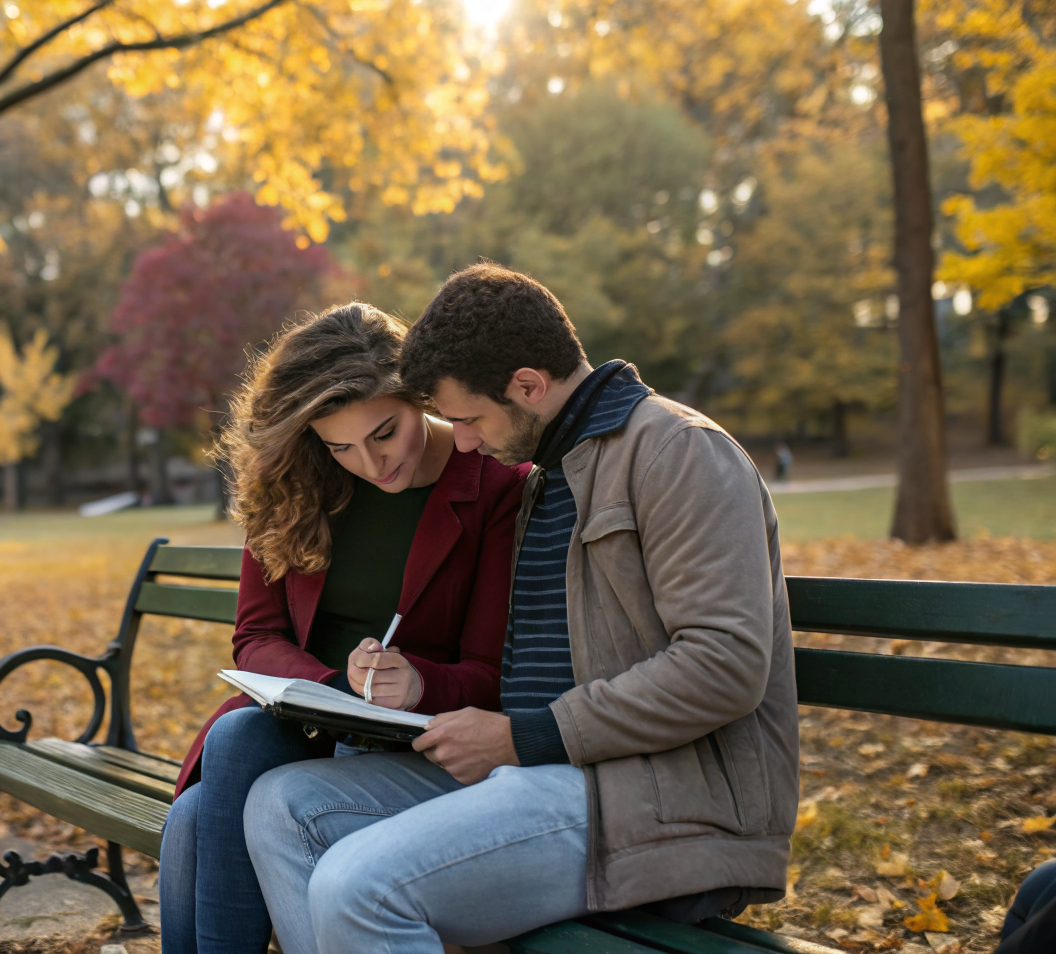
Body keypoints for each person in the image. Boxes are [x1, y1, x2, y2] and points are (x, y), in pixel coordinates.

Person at [244, 264, 799, 954]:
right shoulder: (555, 473)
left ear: (529, 386)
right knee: (283, 807)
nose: (464, 442)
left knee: (356, 887)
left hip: (654, 799)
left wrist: (521, 736)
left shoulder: (677, 452)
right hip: (540, 775)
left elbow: (723, 668)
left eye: (470, 419)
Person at [158, 303, 527, 954]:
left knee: (203, 799)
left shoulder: (495, 486)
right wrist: (333, 687)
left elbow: (493, 675)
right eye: (340, 446)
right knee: (229, 756)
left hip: (417, 745)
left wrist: (414, 683)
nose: (370, 462)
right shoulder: (293, 481)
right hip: (304, 724)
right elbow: (255, 638)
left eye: (385, 432)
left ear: (418, 395)